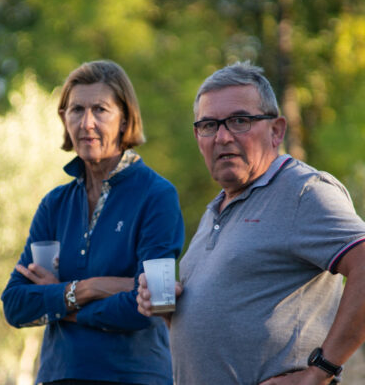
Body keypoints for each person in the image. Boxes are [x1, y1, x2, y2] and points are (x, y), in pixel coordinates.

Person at [136, 61, 365, 385]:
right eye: (209, 125)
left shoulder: (303, 192)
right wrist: (169, 310)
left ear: (277, 130)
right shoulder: (215, 210)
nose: (223, 137)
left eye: (239, 121)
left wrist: (320, 371)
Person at [1, 60, 184, 385]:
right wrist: (89, 288)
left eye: (100, 109)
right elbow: (15, 305)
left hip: (134, 376)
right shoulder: (54, 204)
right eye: (76, 110)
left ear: (125, 117)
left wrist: (59, 301)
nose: (86, 123)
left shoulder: (157, 195)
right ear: (64, 118)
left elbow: (150, 304)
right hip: (59, 375)